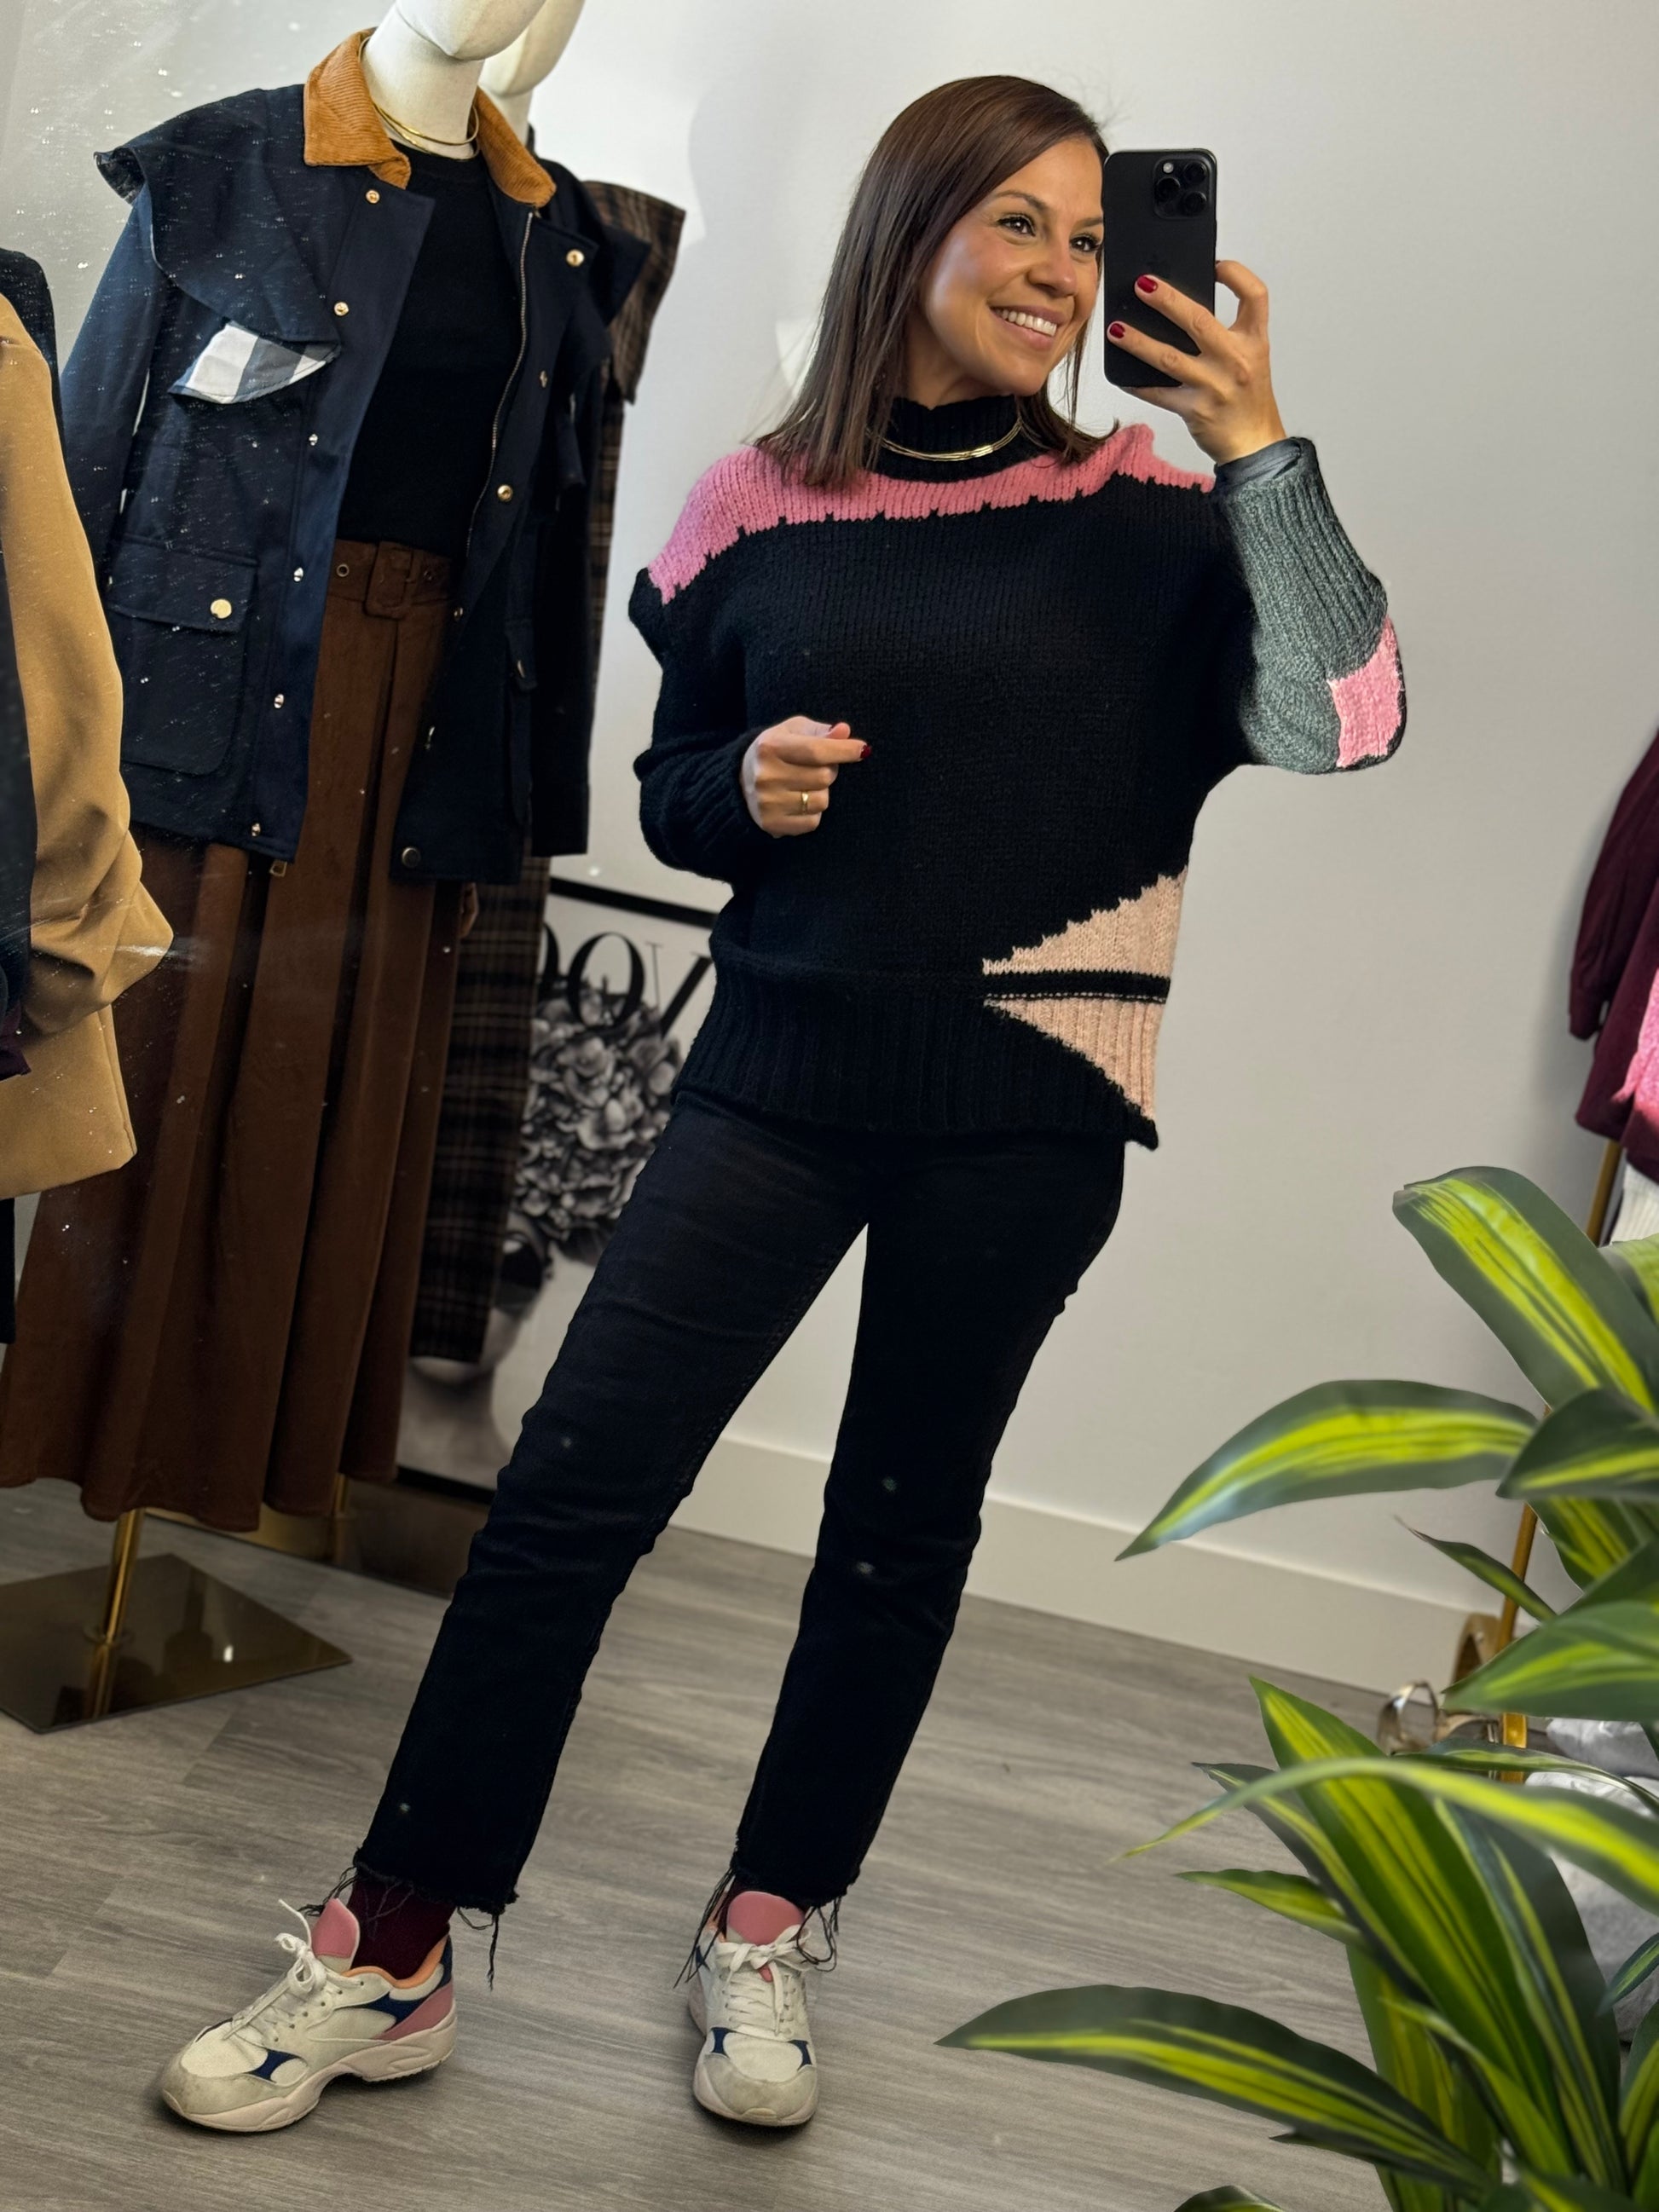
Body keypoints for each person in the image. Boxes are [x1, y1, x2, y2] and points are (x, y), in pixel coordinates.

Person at [157, 73, 1403, 2135]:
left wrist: (1258, 442)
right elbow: (671, 790)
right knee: (566, 1503)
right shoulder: (750, 505)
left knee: (895, 1533)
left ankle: (768, 1918)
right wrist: (738, 788)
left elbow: (1348, 718)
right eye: (1020, 222)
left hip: (1031, 1102)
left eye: (1093, 240)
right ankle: (395, 1940)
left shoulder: (1158, 521)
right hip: (776, 1080)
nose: (1062, 272)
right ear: (914, 228)